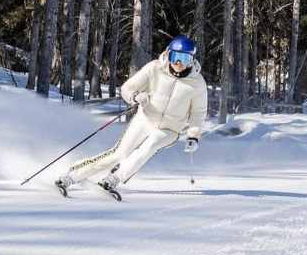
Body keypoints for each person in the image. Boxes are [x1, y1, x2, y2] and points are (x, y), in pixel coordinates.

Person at [55, 35, 208, 194]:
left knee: (148, 148)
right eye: (175, 57)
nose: (178, 63)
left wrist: (193, 136)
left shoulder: (197, 83)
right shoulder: (154, 68)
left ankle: (113, 179)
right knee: (119, 154)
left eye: (184, 59)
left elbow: (198, 112)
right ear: (168, 54)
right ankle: (71, 176)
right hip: (145, 119)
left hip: (170, 130)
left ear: (191, 60)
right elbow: (127, 88)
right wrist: (135, 97)